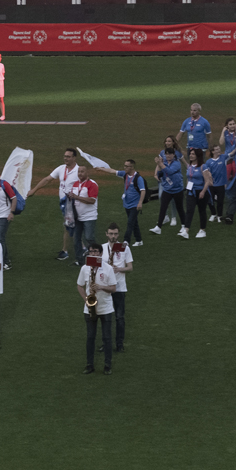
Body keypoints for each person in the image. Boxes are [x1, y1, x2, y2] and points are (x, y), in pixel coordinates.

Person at [27, 148, 80, 261]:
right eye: (65, 156)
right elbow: (47, 179)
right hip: (64, 203)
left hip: (73, 203)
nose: (66, 158)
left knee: (70, 226)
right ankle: (80, 249)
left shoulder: (79, 171)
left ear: (74, 158)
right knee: (71, 226)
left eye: (68, 156)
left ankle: (68, 251)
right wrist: (34, 190)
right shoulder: (61, 168)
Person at [77, 242, 117, 375]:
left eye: (95, 251)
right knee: (90, 337)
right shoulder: (85, 268)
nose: (93, 253)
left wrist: (100, 287)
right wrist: (87, 300)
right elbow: (79, 286)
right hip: (90, 308)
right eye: (91, 251)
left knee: (106, 337)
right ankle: (89, 365)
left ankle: (107, 365)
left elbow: (113, 288)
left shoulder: (107, 268)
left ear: (100, 253)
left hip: (106, 308)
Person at [94, 158, 145, 246]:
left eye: (126, 166)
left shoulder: (138, 178)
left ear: (132, 167)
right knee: (134, 222)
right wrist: (101, 169)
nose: (124, 168)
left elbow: (143, 191)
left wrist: (140, 203)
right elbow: (112, 171)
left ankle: (126, 241)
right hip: (127, 204)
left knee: (130, 223)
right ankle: (139, 240)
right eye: (124, 166)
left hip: (135, 205)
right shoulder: (125, 174)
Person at [100, 224, 132, 354]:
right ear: (106, 234)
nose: (113, 236)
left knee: (119, 317)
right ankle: (105, 343)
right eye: (111, 234)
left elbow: (130, 267)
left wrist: (119, 269)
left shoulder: (124, 248)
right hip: (106, 288)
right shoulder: (102, 248)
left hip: (119, 288)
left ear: (118, 235)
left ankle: (119, 344)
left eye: (115, 234)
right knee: (104, 317)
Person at [150, 148, 185, 235]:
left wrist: (160, 164)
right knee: (163, 208)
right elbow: (159, 174)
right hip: (167, 189)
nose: (168, 156)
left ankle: (184, 226)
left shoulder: (177, 163)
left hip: (177, 190)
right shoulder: (164, 163)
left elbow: (169, 171)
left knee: (180, 208)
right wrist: (158, 165)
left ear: (173, 155)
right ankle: (158, 227)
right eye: (166, 154)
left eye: (170, 154)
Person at [180, 148, 213, 238]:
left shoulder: (203, 167)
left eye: (193, 154)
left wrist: (203, 192)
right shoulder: (190, 166)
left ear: (198, 156)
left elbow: (207, 181)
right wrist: (188, 187)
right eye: (190, 154)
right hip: (191, 192)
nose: (190, 155)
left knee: (202, 211)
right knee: (189, 210)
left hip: (201, 191)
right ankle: (186, 231)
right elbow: (189, 177)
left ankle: (202, 230)